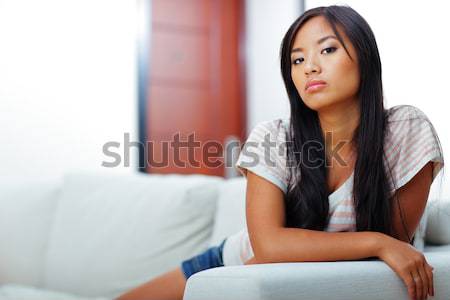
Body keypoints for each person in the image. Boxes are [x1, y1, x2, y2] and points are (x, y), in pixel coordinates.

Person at [117, 5, 444, 300]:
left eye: (327, 50)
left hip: (279, 274)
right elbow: (269, 246)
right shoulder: (273, 137)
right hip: (231, 264)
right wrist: (377, 242)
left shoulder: (406, 129)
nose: (310, 68)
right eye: (297, 59)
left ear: (365, 57)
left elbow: (394, 242)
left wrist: (380, 244)